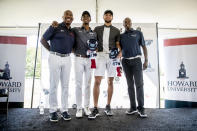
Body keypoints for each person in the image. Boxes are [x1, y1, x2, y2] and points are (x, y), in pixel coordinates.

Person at [40, 10, 75, 122]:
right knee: (53, 85)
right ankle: (53, 111)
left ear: (72, 18)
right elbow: (43, 40)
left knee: (65, 86)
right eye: (66, 15)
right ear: (63, 17)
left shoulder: (72, 32)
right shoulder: (55, 26)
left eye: (70, 16)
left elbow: (73, 46)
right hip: (55, 57)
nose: (68, 17)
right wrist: (51, 50)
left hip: (67, 58)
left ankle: (64, 110)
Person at [88, 10, 121, 119]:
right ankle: (96, 108)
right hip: (100, 56)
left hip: (112, 57)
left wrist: (119, 52)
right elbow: (93, 42)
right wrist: (93, 48)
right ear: (103, 17)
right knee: (97, 81)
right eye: (106, 14)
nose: (108, 16)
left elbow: (118, 44)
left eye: (110, 15)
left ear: (112, 17)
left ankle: (108, 106)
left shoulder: (116, 30)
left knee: (110, 81)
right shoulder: (97, 29)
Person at [120, 17, 148, 118]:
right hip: (125, 61)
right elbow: (120, 50)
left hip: (136, 61)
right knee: (130, 85)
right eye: (125, 22)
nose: (127, 24)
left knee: (139, 84)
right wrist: (119, 63)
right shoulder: (121, 36)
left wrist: (146, 60)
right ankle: (133, 107)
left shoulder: (138, 33)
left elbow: (144, 47)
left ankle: (141, 108)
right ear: (123, 24)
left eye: (128, 22)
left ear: (131, 23)